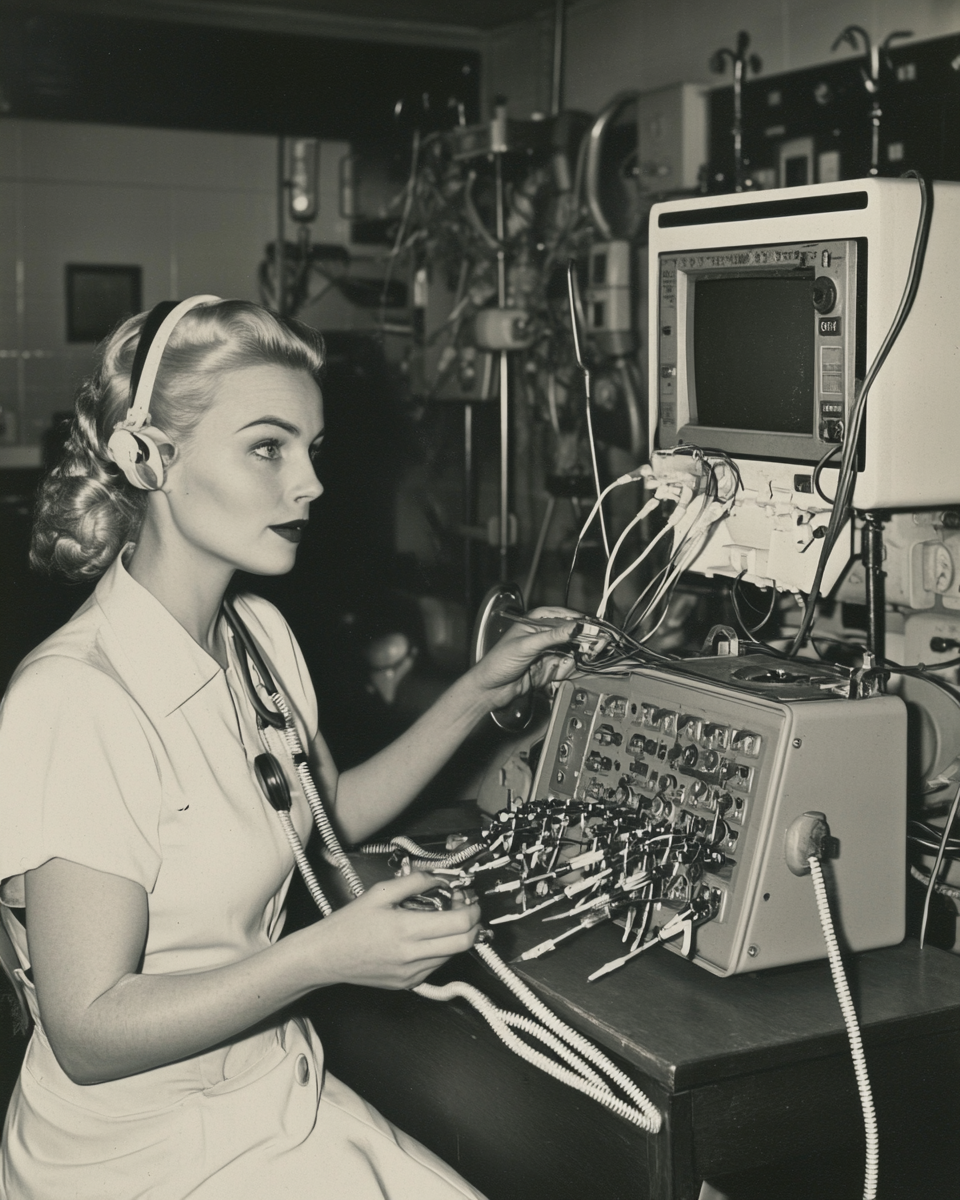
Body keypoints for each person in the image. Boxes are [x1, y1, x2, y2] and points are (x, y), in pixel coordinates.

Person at [0, 298, 579, 1199]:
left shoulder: (256, 635)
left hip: (270, 1094)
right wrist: (325, 955)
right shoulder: (77, 698)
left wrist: (477, 693)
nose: (308, 483)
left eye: (312, 450)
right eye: (268, 448)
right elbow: (88, 1030)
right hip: (135, 1157)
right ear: (147, 456)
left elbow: (324, 810)